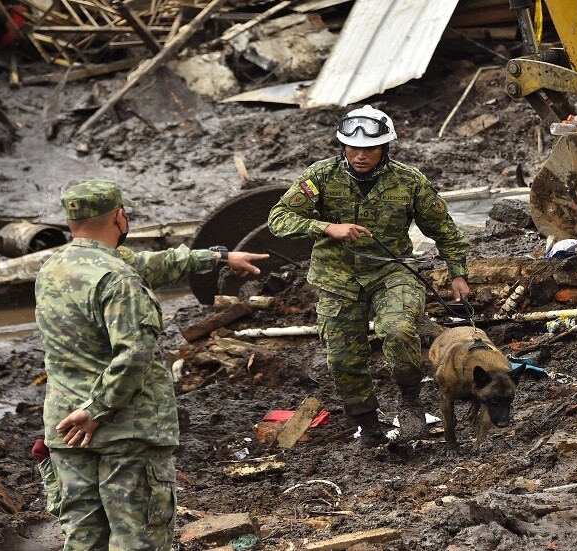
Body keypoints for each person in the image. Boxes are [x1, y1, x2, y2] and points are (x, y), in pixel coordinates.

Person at [34, 179, 267, 550]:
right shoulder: (119, 280)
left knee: (83, 539)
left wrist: (219, 257)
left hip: (67, 429)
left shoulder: (54, 269)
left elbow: (152, 263)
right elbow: (134, 355)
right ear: (119, 216)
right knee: (138, 539)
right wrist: (98, 409)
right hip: (123, 432)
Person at [268, 105, 470, 446]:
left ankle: (410, 400)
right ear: (342, 146)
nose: (360, 156)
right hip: (336, 278)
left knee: (399, 329)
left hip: (391, 271)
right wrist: (326, 226)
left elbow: (445, 230)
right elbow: (279, 218)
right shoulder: (320, 175)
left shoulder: (409, 181)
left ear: (385, 148)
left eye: (370, 149)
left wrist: (458, 273)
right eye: (353, 148)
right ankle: (369, 426)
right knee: (344, 357)